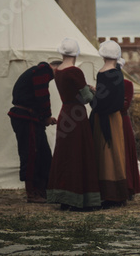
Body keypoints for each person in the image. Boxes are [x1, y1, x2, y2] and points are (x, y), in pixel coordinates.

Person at [46, 38, 101, 210]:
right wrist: (93, 92)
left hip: (65, 114)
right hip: (77, 117)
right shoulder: (75, 72)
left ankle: (64, 198)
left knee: (65, 155)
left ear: (61, 53)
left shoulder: (57, 71)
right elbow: (85, 98)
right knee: (78, 154)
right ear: (76, 53)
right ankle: (78, 200)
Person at [8, 60, 60, 203]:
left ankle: (43, 191)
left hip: (31, 117)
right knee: (30, 154)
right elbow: (42, 96)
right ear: (56, 68)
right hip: (25, 118)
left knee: (43, 154)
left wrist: (43, 118)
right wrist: (47, 115)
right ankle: (32, 193)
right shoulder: (42, 71)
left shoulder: (38, 72)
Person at [90, 40, 128, 207]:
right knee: (116, 153)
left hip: (105, 118)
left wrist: (93, 98)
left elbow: (102, 101)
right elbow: (113, 96)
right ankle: (119, 193)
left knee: (106, 155)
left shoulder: (103, 73)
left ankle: (111, 195)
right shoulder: (118, 73)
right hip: (115, 117)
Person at [118, 59, 140, 199]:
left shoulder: (127, 84)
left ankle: (128, 186)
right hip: (111, 120)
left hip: (122, 120)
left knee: (125, 152)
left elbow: (124, 105)